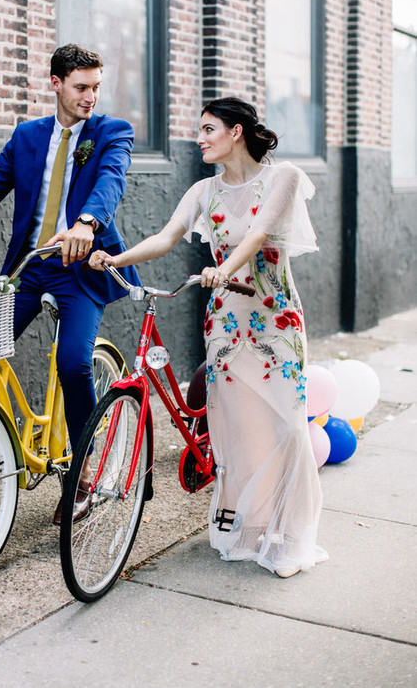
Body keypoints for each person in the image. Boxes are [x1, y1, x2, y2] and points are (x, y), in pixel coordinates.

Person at [90, 96, 329, 578]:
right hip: (224, 323)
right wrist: (116, 259)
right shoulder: (203, 190)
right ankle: (250, 526)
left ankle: (292, 536)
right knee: (239, 428)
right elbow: (165, 237)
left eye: (207, 129)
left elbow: (259, 234)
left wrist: (223, 268)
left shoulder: (280, 179)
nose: (198, 138)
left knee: (286, 423)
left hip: (274, 318)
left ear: (236, 132)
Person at [0, 43, 141, 525]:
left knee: (73, 361)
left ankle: (82, 477)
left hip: (84, 268)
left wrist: (88, 223)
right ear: (55, 83)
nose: (90, 97)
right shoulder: (28, 136)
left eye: (96, 87)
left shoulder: (112, 132)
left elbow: (110, 179)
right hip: (31, 269)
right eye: (81, 87)